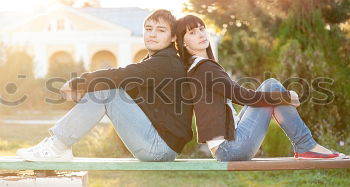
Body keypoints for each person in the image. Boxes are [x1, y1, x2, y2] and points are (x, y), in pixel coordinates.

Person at [16, 9, 193, 162]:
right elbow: (125, 87)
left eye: (161, 30)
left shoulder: (165, 62)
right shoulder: (158, 61)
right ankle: (59, 146)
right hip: (158, 145)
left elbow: (120, 75)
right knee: (107, 91)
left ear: (173, 37)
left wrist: (78, 82)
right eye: (148, 29)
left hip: (159, 148)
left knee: (107, 92)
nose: (152, 34)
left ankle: (57, 146)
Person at [175, 14, 348, 161]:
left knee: (271, 85)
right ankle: (306, 145)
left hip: (228, 146)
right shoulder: (203, 67)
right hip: (231, 149)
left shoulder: (200, 66)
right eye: (192, 32)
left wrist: (281, 97)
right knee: (273, 86)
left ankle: (305, 145)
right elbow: (242, 96)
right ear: (183, 43)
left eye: (201, 29)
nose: (200, 34)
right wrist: (285, 96)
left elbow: (241, 97)